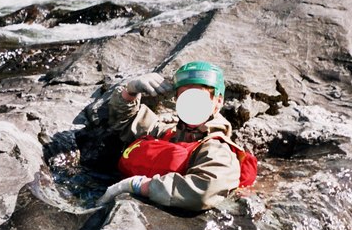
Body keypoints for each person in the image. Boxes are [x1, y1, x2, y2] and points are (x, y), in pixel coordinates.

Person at [98, 60, 257, 211]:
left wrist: (139, 185)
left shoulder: (218, 149)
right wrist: (130, 91)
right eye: (185, 97)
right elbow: (126, 120)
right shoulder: (167, 132)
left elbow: (203, 191)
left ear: (218, 101)